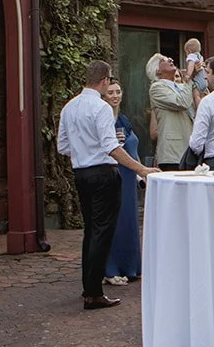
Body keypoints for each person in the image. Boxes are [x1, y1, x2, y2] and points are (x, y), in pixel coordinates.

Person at [56, 60, 158, 311]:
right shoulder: (100, 108)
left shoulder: (69, 107)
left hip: (81, 173)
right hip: (103, 173)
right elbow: (111, 146)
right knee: (102, 232)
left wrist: (83, 151)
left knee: (91, 230)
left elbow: (63, 146)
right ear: (104, 80)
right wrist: (141, 169)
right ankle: (93, 293)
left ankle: (89, 287)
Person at [100, 79, 142, 285]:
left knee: (129, 220)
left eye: (118, 92)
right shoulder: (104, 121)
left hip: (130, 175)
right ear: (103, 96)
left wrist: (140, 173)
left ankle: (130, 266)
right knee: (116, 220)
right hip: (114, 174)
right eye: (111, 92)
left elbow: (133, 149)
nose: (115, 96)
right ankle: (111, 267)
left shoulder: (124, 120)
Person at [146, 53, 196, 171]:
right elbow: (182, 103)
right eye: (164, 60)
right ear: (157, 70)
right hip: (173, 154)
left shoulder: (181, 86)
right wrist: (189, 78)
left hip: (189, 150)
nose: (170, 59)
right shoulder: (156, 88)